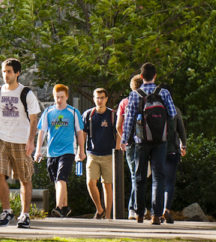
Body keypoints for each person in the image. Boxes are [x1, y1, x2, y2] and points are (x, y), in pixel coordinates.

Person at [122, 62, 178, 225]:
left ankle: (139, 213)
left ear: (141, 76)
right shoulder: (164, 93)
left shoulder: (135, 94)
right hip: (160, 141)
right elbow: (173, 114)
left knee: (139, 177)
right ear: (155, 76)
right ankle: (156, 215)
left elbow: (129, 119)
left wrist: (125, 139)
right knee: (158, 177)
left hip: (141, 141)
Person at [0, 58, 41, 229]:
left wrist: (31, 141)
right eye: (4, 71)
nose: (6, 74)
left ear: (17, 73)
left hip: (21, 141)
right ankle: (7, 211)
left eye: (9, 71)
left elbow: (34, 119)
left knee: (24, 178)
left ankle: (24, 215)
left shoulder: (26, 93)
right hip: (2, 140)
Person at [34, 84, 84, 219]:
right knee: (58, 181)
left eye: (62, 97)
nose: (59, 100)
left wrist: (81, 150)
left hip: (68, 151)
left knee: (61, 178)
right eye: (57, 97)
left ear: (67, 96)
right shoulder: (48, 112)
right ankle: (65, 207)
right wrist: (38, 150)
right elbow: (42, 132)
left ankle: (58, 207)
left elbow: (80, 133)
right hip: (52, 152)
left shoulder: (73, 112)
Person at [80, 88, 117, 220]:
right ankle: (99, 209)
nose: (99, 100)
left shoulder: (112, 114)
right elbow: (83, 134)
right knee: (90, 182)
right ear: (94, 98)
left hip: (108, 154)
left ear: (106, 99)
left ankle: (107, 216)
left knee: (107, 185)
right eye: (97, 97)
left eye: (102, 97)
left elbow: (118, 133)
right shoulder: (88, 114)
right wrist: (80, 150)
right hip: (92, 154)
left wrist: (117, 150)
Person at [116, 74, 143, 220]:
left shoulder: (124, 102)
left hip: (130, 143)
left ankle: (134, 208)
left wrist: (123, 140)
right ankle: (137, 207)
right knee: (142, 176)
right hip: (146, 142)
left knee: (134, 175)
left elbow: (118, 125)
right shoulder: (147, 100)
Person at [161, 110, 187, 224]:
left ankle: (157, 212)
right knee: (169, 183)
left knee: (158, 182)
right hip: (172, 151)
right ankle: (166, 209)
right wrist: (183, 145)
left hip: (157, 151)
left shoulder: (151, 107)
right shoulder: (174, 110)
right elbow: (181, 130)